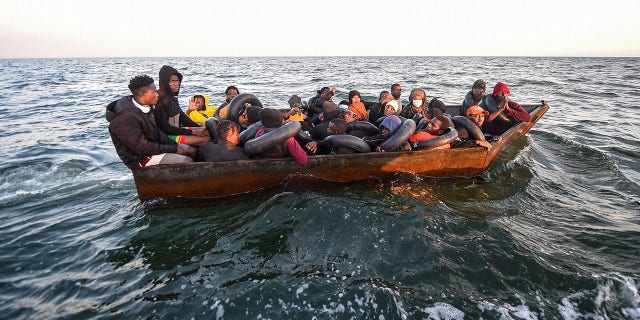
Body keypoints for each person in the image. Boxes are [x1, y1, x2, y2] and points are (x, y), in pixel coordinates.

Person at [106, 75, 196, 170]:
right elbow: (141, 148)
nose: (157, 94)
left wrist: (173, 145)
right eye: (154, 92)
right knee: (188, 162)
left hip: (153, 147)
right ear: (142, 94)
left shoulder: (146, 106)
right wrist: (173, 149)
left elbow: (156, 131)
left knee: (192, 150)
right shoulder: (125, 119)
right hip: (140, 158)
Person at [155, 65, 210, 146]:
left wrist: (198, 127)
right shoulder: (158, 99)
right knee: (206, 139)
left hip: (175, 130)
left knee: (207, 131)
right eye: (172, 81)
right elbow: (165, 128)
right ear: (164, 82)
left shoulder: (172, 97)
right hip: (166, 135)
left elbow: (182, 117)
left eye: (177, 81)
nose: (176, 84)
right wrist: (193, 132)